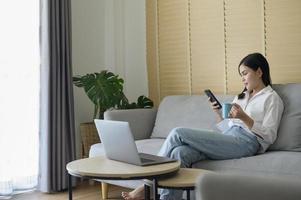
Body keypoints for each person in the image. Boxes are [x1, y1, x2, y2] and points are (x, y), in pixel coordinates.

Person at [121, 52, 284, 200]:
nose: (242, 78)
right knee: (180, 152)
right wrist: (219, 114)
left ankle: (147, 185)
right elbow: (228, 127)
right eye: (241, 75)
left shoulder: (272, 98)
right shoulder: (241, 97)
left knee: (178, 132)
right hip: (230, 137)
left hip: (247, 143)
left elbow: (269, 135)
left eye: (245, 73)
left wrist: (244, 118)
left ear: (259, 72)